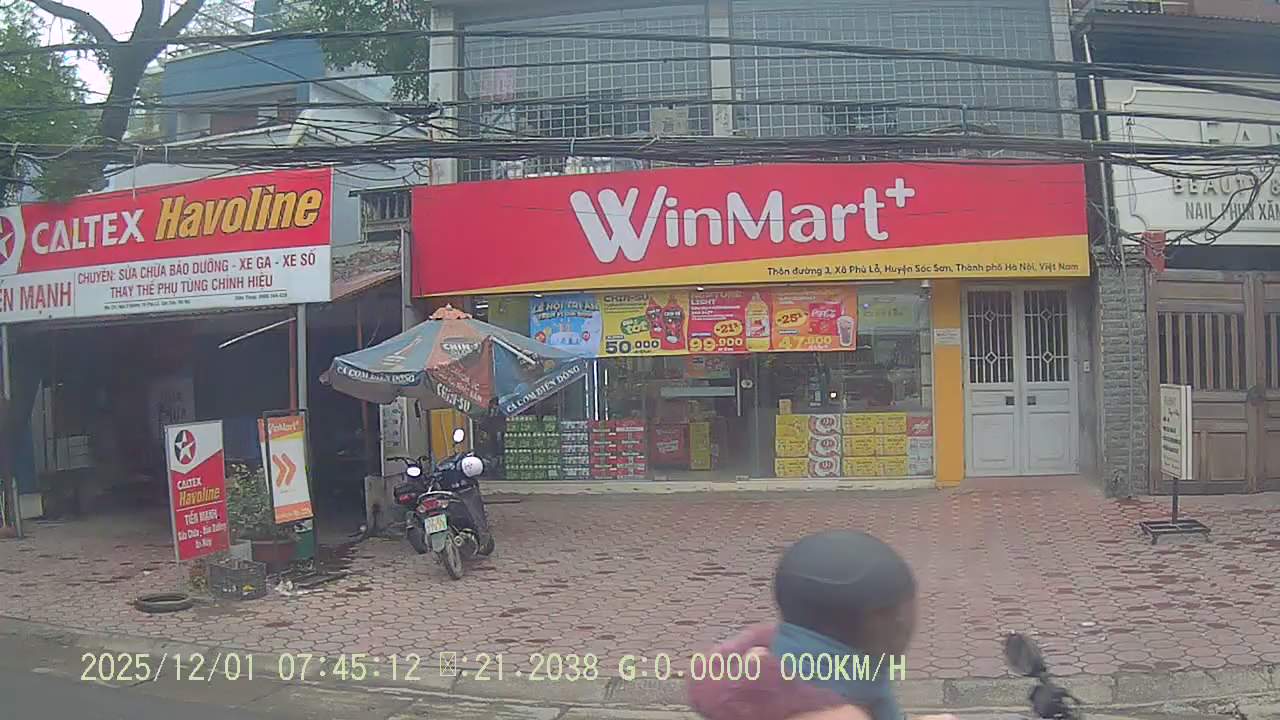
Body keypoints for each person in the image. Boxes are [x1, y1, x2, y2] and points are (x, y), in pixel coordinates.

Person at [687, 530, 958, 720]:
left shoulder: (782, 664)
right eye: (901, 612)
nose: (905, 626)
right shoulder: (840, 715)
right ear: (876, 621)